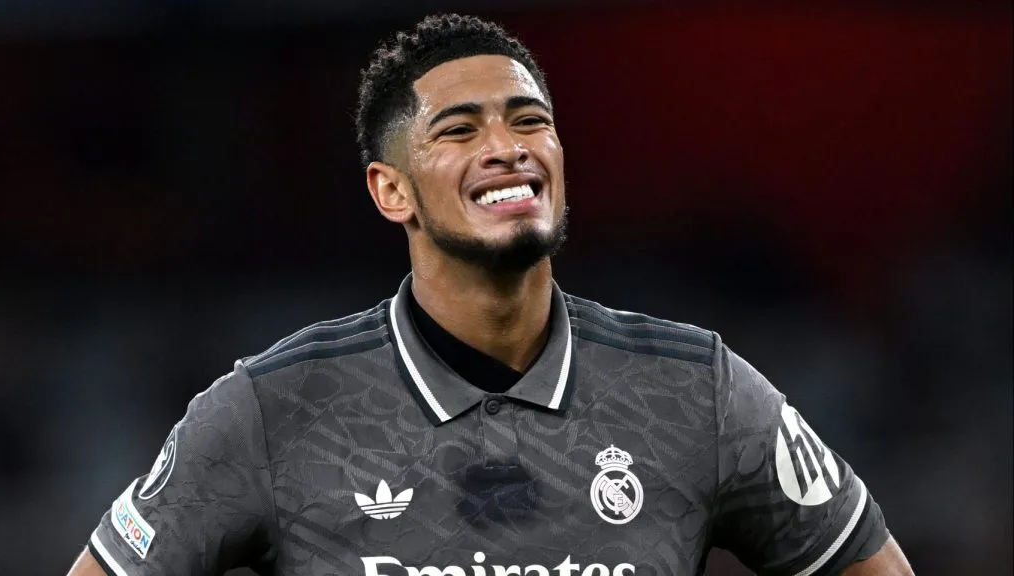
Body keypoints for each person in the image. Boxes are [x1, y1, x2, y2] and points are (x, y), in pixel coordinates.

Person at [68, 13, 915, 576]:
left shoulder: (698, 388)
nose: (508, 147)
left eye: (529, 120)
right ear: (390, 190)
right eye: (460, 130)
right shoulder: (273, 410)